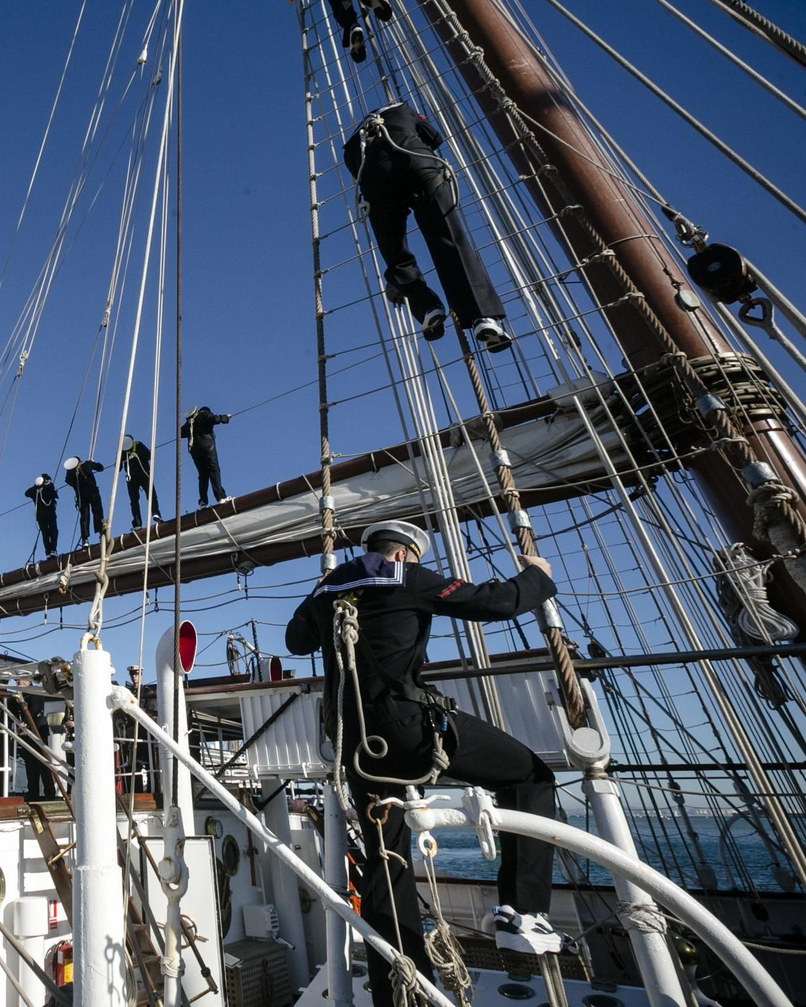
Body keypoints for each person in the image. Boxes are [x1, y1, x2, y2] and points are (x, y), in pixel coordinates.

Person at [284, 520, 567, 1006]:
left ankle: (400, 991)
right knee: (531, 775)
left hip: (356, 741)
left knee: (385, 857)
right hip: (409, 730)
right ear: (405, 554)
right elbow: (493, 602)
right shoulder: (407, 577)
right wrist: (538, 576)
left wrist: (322, 593)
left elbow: (295, 641)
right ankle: (521, 911)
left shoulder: (331, 587)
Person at [344, 101, 511, 353]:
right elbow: (434, 138)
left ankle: (427, 308)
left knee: (395, 255)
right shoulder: (403, 110)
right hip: (415, 163)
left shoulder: (351, 144)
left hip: (373, 179)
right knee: (448, 238)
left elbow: (354, 169)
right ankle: (482, 317)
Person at [180, 407, 232, 508]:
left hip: (195, 452)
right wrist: (225, 417)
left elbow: (180, 433)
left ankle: (203, 501)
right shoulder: (204, 415)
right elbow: (215, 419)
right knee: (214, 470)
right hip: (207, 447)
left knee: (203, 475)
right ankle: (220, 497)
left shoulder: (190, 422)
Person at [18, 681, 56, 801]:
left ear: (28, 681)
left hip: (38, 731)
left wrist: (24, 725)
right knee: (30, 765)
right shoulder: (21, 695)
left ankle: (50, 794)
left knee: (43, 764)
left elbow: (34, 710)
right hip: (26, 734)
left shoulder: (35, 692)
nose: (18, 682)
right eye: (17, 680)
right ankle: (33, 793)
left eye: (21, 680)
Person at [118, 435, 163, 530]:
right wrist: (119, 457)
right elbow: (118, 468)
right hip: (132, 478)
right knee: (134, 501)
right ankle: (137, 523)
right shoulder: (122, 452)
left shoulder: (138, 445)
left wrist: (138, 455)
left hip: (144, 474)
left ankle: (156, 513)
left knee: (151, 494)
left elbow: (149, 456)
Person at [63, 457, 106, 546]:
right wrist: (92, 463)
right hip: (92, 493)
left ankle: (85, 539)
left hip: (81, 496)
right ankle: (101, 533)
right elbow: (101, 468)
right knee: (97, 512)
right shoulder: (86, 464)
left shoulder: (71, 473)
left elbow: (67, 481)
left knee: (84, 517)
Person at [25, 473, 60, 557]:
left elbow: (26, 493)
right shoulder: (48, 488)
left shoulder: (34, 491)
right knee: (53, 531)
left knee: (45, 534)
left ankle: (48, 552)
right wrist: (48, 484)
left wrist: (36, 486)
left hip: (40, 516)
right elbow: (54, 494)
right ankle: (53, 550)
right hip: (49, 514)